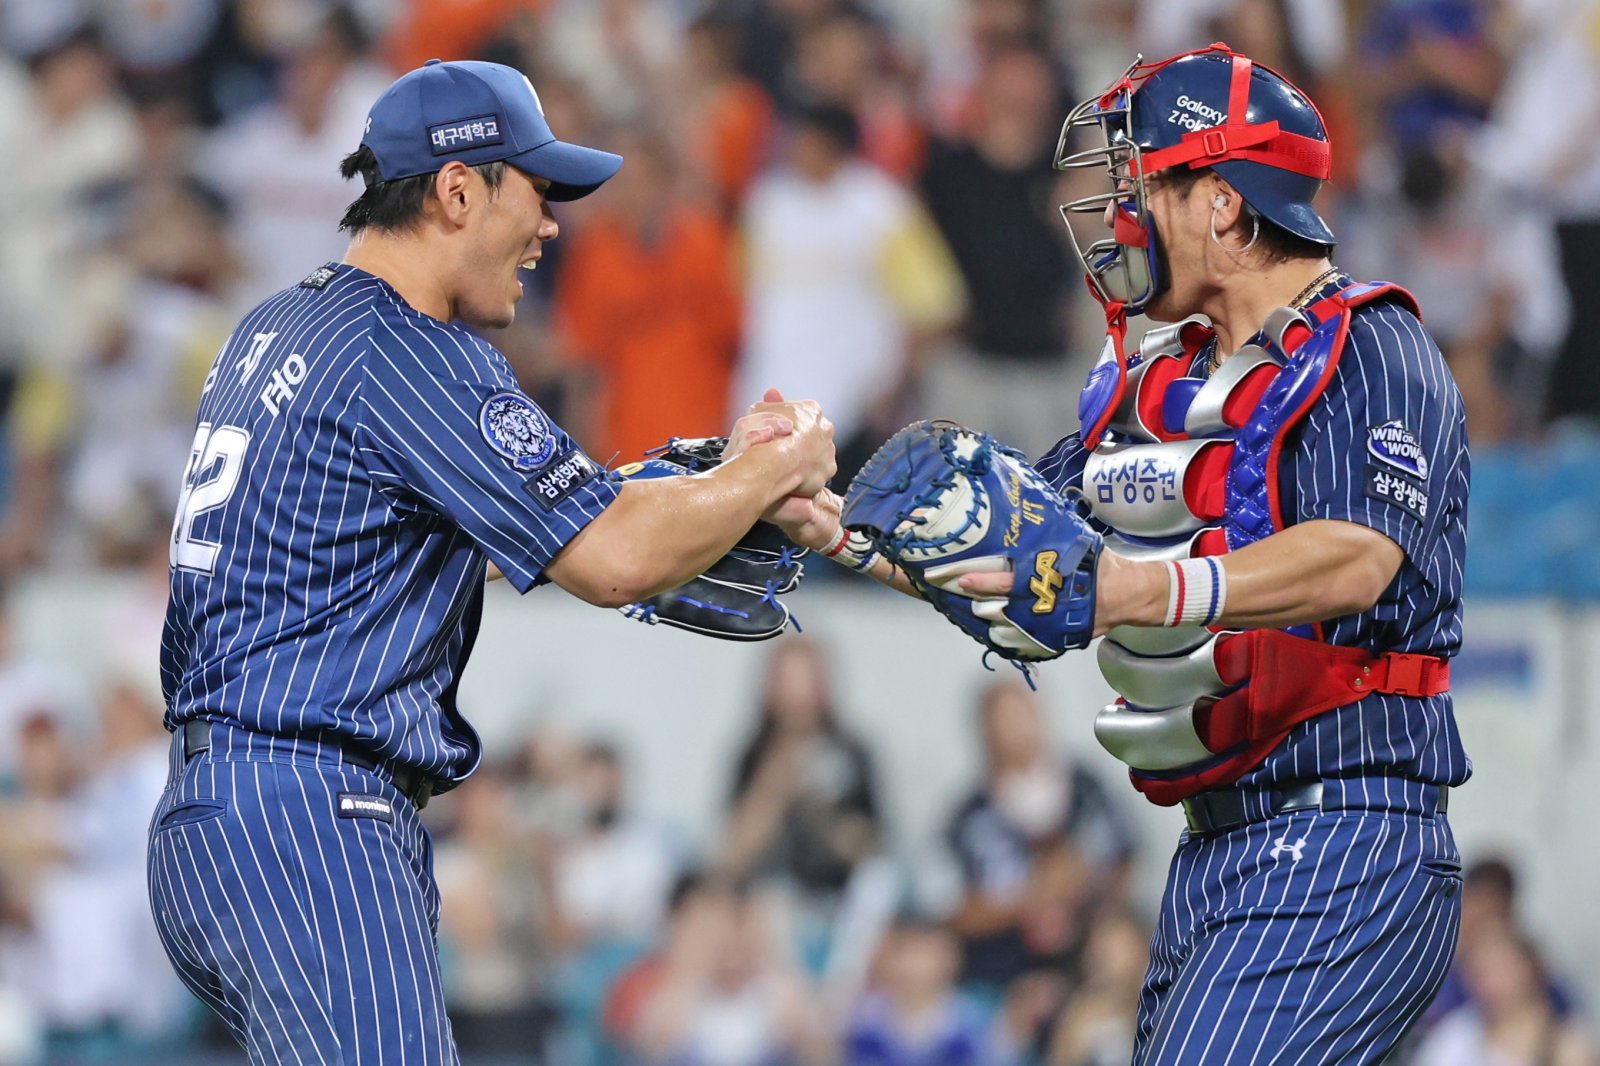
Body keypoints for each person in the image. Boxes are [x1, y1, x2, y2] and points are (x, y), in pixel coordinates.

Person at [768, 43, 1469, 1065]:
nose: (1116, 216)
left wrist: (1145, 583)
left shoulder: (1370, 345)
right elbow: (1017, 547)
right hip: (1214, 852)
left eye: (1144, 185)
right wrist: (822, 522)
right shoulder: (1158, 380)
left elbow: (1358, 554)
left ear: (1224, 205)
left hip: (1350, 831)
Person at [147, 58, 835, 1064]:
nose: (551, 225)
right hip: (309, 818)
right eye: (535, 188)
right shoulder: (410, 350)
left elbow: (532, 516)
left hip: (220, 819)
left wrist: (712, 482)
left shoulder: (279, 324)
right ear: (458, 189)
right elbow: (611, 558)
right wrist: (775, 469)